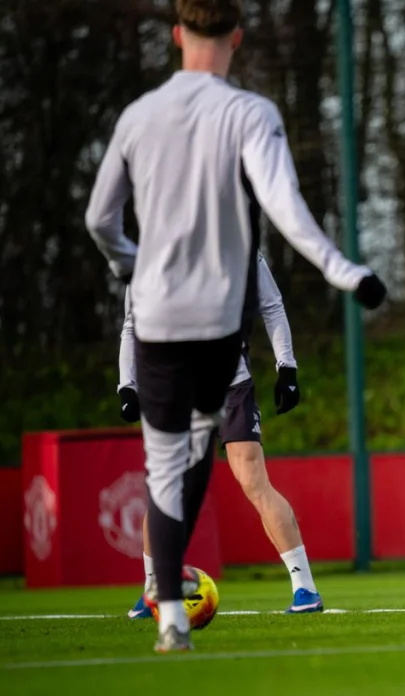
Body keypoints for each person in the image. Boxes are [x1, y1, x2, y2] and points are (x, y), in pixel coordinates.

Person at [85, 0, 386, 652]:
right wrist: (347, 273)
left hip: (162, 321)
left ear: (176, 35)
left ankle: (176, 620)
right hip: (217, 331)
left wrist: (129, 263)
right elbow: (288, 211)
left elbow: (100, 219)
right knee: (189, 472)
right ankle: (167, 594)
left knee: (174, 471)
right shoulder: (250, 114)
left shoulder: (137, 116)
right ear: (237, 38)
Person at [121, 252, 324, 618]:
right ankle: (153, 589)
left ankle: (304, 587)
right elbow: (133, 323)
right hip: (174, 389)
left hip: (230, 385)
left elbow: (272, 305)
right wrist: (128, 385)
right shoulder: (151, 253)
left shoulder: (241, 247)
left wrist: (287, 366)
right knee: (164, 487)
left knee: (254, 482)